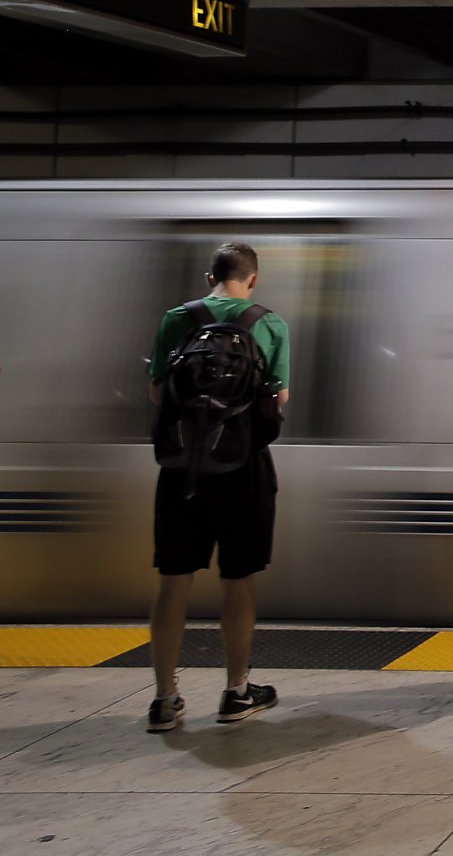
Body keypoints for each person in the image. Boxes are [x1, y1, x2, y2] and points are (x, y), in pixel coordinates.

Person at [143, 241, 290, 732]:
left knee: (173, 582)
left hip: (182, 468)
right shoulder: (268, 323)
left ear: (210, 278)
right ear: (252, 280)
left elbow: (157, 390)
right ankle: (237, 691)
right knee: (238, 580)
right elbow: (279, 394)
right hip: (243, 465)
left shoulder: (175, 318)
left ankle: (165, 699)